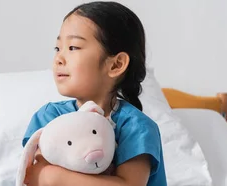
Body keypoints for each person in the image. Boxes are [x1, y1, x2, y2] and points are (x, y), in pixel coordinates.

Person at [21, 1, 167, 186]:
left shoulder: (136, 127)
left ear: (116, 64)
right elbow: (36, 174)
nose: (59, 58)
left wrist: (56, 177)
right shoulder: (49, 117)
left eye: (73, 47)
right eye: (58, 48)